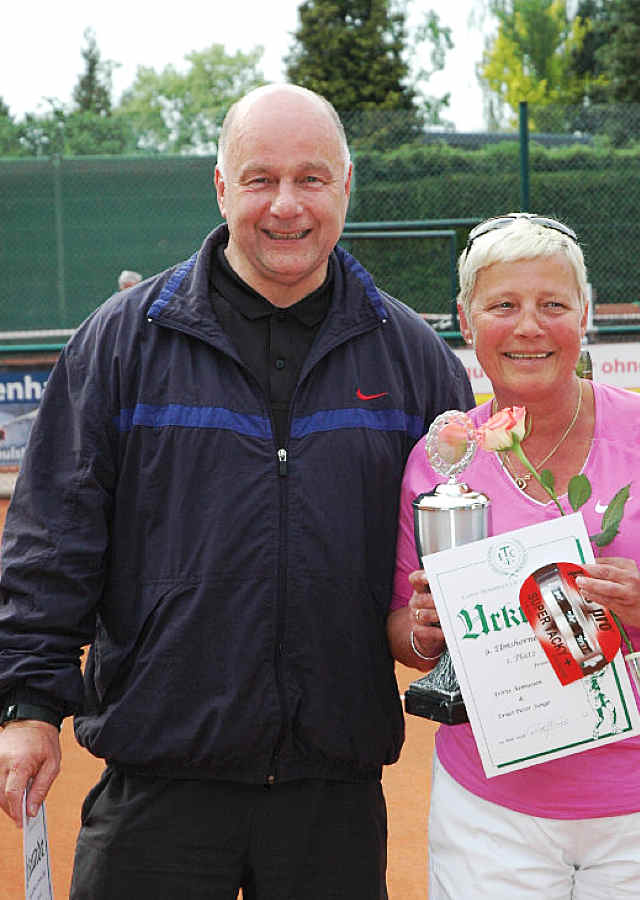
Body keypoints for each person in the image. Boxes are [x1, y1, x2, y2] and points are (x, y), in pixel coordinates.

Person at [0, 83, 474, 897]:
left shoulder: (412, 359)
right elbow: (53, 538)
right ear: (222, 189)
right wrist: (27, 705)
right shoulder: (122, 343)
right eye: (260, 179)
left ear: (346, 186)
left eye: (311, 178)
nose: (286, 204)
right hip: (158, 780)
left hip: (333, 789)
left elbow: (450, 556)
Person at [390, 212, 640, 898]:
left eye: (553, 306)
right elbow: (401, 632)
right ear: (466, 321)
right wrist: (425, 630)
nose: (530, 327)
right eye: (503, 306)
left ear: (586, 315)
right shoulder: (438, 461)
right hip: (491, 815)